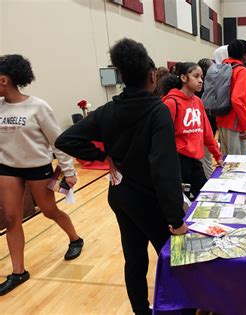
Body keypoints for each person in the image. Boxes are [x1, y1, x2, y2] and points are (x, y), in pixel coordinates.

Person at [55, 38, 188, 314]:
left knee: (134, 259)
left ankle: (141, 310)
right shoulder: (157, 111)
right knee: (175, 258)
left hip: (121, 196)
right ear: (152, 76)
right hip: (150, 201)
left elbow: (66, 139)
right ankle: (179, 308)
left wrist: (103, 157)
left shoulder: (108, 110)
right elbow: (165, 170)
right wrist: (176, 219)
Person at [0, 54, 83, 295]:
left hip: (38, 167)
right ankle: (18, 272)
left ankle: (75, 238)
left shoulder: (38, 106)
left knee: (49, 211)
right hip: (7, 167)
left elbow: (59, 141)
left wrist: (68, 171)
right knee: (11, 219)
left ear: (4, 79)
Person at [161, 62, 223, 199]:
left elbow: (207, 131)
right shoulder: (171, 103)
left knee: (204, 197)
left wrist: (217, 155)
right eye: (196, 76)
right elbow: (162, 138)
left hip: (195, 160)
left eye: (202, 76)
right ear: (183, 78)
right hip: (179, 162)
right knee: (185, 202)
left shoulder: (198, 101)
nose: (201, 80)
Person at [216, 39, 246, 155]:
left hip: (221, 118)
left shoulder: (220, 68)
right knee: (239, 163)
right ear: (245, 55)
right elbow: (236, 99)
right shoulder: (241, 70)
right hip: (235, 122)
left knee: (227, 161)